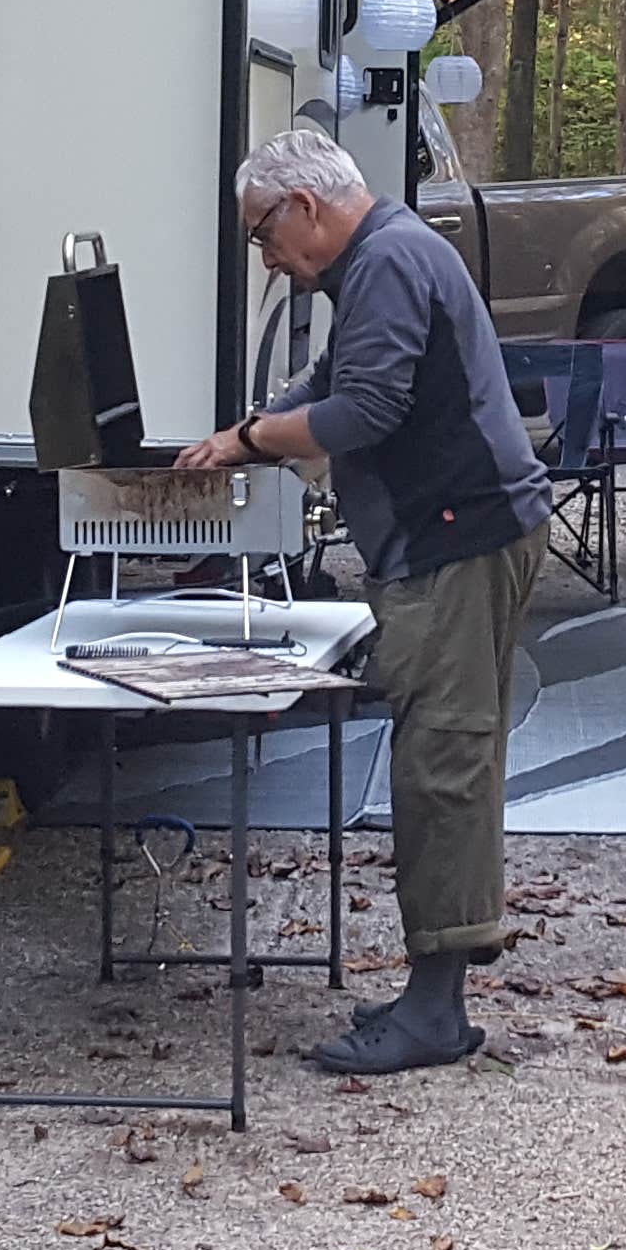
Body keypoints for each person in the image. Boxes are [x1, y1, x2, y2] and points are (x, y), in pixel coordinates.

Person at [176, 124, 551, 1076]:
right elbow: (340, 381)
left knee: (444, 762)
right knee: (450, 751)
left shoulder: (386, 260)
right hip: (460, 532)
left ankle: (435, 1011)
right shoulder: (387, 254)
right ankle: (439, 995)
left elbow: (366, 411)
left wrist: (252, 444)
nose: (268, 259)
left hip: (457, 538)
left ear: (305, 206)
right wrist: (251, 426)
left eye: (262, 233)